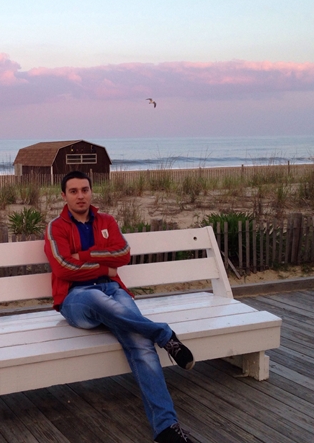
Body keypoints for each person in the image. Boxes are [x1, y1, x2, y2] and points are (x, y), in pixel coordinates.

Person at [44, 170, 195, 443]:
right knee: (96, 299)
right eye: (74, 191)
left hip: (113, 290)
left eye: (85, 190)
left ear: (91, 191)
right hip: (76, 298)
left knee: (140, 342)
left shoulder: (107, 221)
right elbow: (63, 267)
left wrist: (85, 256)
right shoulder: (57, 227)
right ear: (63, 195)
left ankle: (165, 427)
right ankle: (163, 334)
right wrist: (105, 268)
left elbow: (123, 254)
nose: (80, 196)